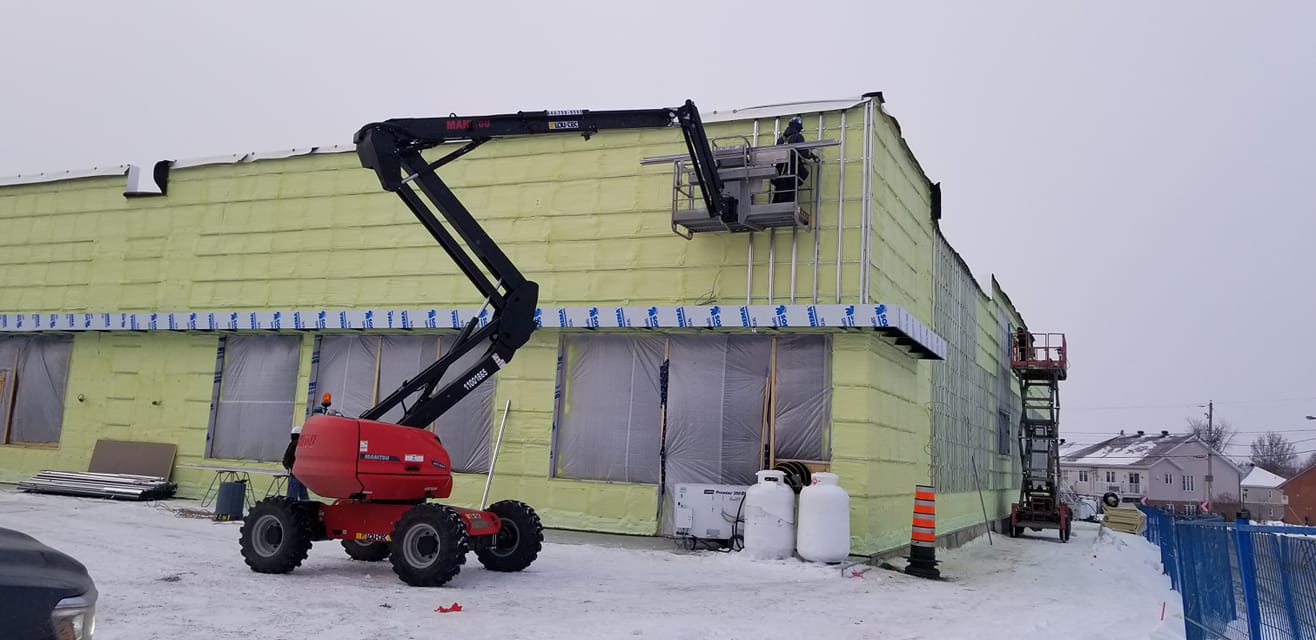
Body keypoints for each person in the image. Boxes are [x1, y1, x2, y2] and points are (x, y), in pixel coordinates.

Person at [770, 116, 819, 203]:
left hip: (779, 172)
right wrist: (812, 155)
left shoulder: (781, 139)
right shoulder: (798, 137)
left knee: (779, 195)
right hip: (792, 171)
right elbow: (804, 152)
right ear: (798, 128)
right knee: (790, 194)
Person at [282, 424, 309, 500]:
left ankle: (291, 510)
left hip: (295, 473)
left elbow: (287, 457)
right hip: (303, 474)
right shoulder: (306, 444)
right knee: (303, 494)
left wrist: (287, 466)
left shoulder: (293, 444)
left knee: (292, 496)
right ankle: (306, 509)